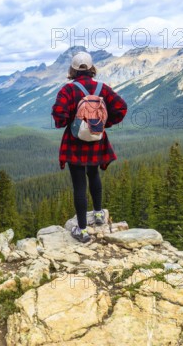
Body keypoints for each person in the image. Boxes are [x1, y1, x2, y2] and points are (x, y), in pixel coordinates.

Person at [51, 51, 128, 243]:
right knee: (93, 174)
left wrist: (71, 122)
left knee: (79, 184)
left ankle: (83, 230)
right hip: (97, 139)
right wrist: (102, 124)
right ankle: (99, 214)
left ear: (73, 70)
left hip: (75, 142)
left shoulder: (68, 90)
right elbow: (121, 107)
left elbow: (59, 116)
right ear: (92, 68)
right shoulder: (103, 88)